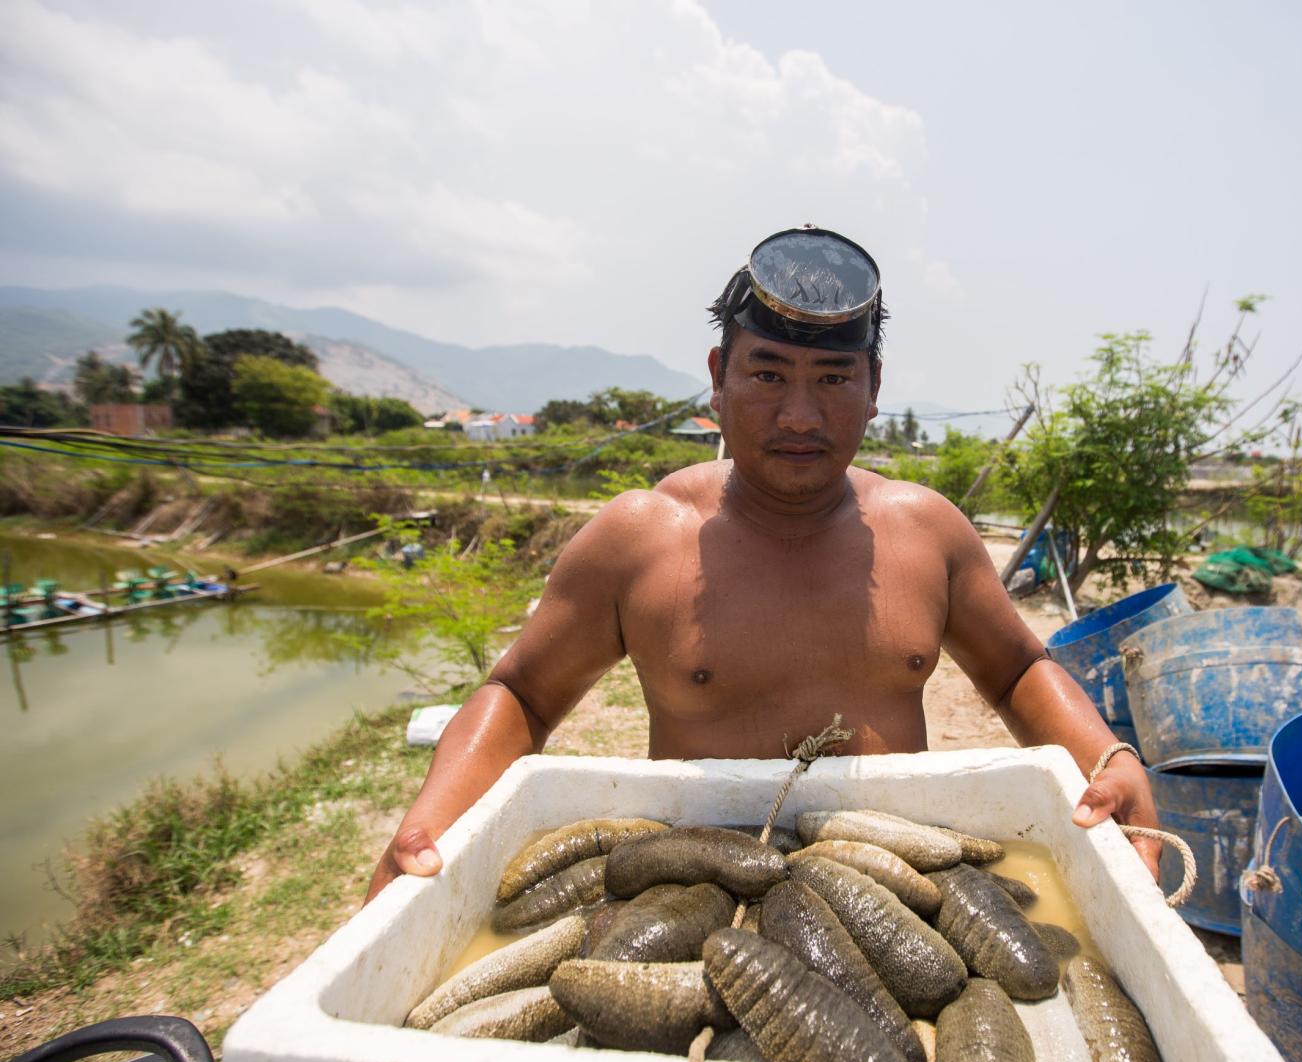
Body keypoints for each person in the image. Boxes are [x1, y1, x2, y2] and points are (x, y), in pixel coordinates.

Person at [366, 226, 1160, 902]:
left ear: (874, 386)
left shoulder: (927, 531)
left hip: (890, 884)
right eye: (768, 374)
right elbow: (521, 694)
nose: (800, 416)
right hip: (693, 893)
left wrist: (1109, 759)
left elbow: (1019, 670)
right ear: (718, 379)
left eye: (834, 379)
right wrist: (434, 820)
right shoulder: (640, 537)